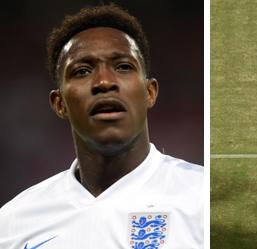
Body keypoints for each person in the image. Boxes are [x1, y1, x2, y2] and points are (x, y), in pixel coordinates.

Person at [0, 4, 203, 249]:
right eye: (82, 71)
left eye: (123, 67)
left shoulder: (202, 198)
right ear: (59, 103)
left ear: (149, 92)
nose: (104, 82)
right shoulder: (14, 223)